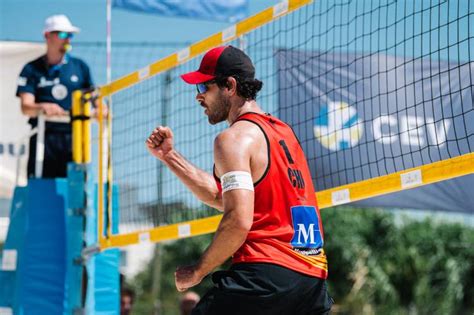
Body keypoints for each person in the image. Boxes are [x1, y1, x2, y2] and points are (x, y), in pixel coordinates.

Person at [146, 45, 333, 315]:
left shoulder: (232, 139)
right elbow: (221, 197)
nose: (198, 97)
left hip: (265, 276)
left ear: (229, 86)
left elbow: (238, 220)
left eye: (203, 87)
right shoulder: (284, 133)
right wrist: (169, 156)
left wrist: (198, 271)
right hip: (312, 281)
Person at [16, 14, 94, 178]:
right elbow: (26, 107)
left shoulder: (80, 67)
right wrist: (43, 107)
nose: (68, 39)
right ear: (47, 36)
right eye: (63, 34)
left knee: (76, 190)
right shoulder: (31, 69)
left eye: (70, 35)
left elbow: (95, 100)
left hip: (75, 137)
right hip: (44, 138)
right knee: (42, 189)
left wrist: (101, 109)